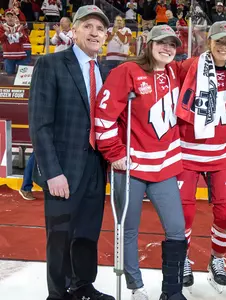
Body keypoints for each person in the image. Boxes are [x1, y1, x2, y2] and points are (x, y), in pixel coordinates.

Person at [94, 25, 188, 300]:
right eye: (162, 43)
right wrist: (114, 153)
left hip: (165, 166)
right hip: (131, 166)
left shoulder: (173, 72)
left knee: (176, 229)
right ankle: (135, 286)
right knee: (129, 228)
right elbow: (104, 114)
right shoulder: (126, 71)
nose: (167, 48)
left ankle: (171, 292)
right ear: (148, 44)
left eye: (172, 44)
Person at [28, 5, 115, 300]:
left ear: (106, 36)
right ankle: (58, 292)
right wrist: (51, 172)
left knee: (88, 232)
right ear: (74, 30)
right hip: (63, 168)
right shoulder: (51, 64)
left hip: (95, 165)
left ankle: (82, 285)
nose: (94, 33)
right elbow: (40, 125)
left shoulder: (103, 71)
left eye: (100, 29)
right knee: (60, 235)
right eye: (88, 26)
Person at [174, 21, 226, 293]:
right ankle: (181, 259)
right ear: (209, 42)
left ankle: (217, 258)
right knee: (182, 214)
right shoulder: (188, 66)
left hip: (222, 152)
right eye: (218, 41)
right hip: (187, 148)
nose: (223, 46)